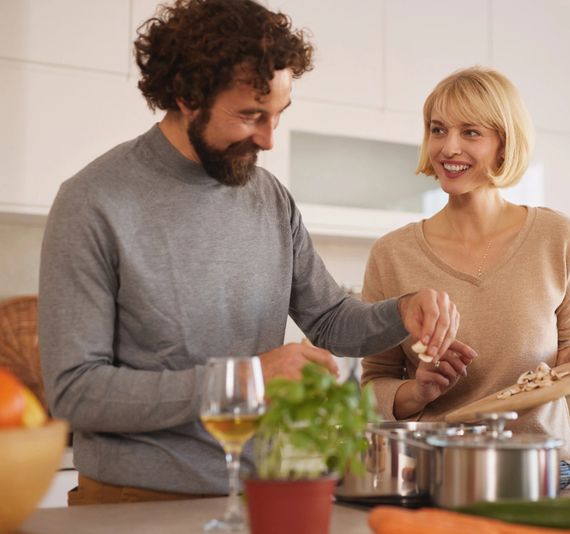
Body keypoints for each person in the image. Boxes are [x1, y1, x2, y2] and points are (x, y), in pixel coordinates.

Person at [38, 0, 473, 505]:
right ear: (185, 95)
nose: (268, 138)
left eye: (278, 115)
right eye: (249, 115)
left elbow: (331, 319)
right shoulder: (93, 202)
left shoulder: (269, 197)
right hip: (136, 502)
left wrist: (402, 309)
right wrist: (244, 379)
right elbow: (76, 392)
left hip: (261, 495)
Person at [360, 67, 570, 470]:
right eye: (438, 130)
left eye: (471, 133)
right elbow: (373, 385)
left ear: (504, 145)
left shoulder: (558, 237)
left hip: (540, 472)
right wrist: (417, 391)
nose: (448, 147)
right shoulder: (393, 254)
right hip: (437, 473)